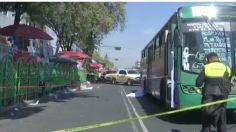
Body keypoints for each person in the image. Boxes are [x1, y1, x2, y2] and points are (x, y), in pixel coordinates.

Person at [196, 52, 232, 132]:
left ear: (209, 59)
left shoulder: (206, 67)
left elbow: (198, 83)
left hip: (208, 98)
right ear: (217, 58)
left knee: (206, 120)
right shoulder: (226, 68)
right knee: (222, 120)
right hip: (222, 98)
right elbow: (228, 82)